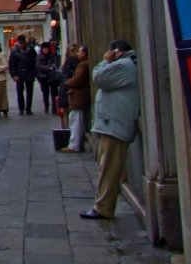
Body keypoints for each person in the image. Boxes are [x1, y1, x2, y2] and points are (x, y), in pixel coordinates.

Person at [80, 40, 140, 220]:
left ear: (116, 52)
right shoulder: (126, 65)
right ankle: (104, 203)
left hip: (115, 125)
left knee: (108, 168)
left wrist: (105, 61)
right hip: (112, 123)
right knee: (108, 167)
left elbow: (99, 77)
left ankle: (103, 207)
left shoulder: (124, 65)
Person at [61, 45, 91, 153]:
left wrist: (67, 82)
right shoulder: (83, 64)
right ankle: (76, 143)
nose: (78, 53)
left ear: (84, 53)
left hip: (79, 96)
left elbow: (78, 79)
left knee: (75, 120)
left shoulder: (83, 65)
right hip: (80, 96)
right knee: (76, 119)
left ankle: (74, 145)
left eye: (80, 51)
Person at [9, 34, 37, 115]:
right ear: (18, 43)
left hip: (29, 73)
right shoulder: (14, 51)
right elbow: (12, 64)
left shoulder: (31, 50)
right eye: (20, 43)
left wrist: (34, 73)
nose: (22, 45)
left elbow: (35, 61)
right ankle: (21, 109)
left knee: (29, 92)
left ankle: (28, 109)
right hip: (19, 74)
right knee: (19, 92)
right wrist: (14, 75)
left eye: (23, 43)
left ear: (25, 42)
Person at [58, 43, 80, 127]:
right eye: (77, 51)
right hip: (67, 89)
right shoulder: (73, 61)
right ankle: (68, 129)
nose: (78, 53)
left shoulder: (67, 61)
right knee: (68, 111)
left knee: (66, 112)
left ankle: (66, 128)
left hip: (64, 88)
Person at [36, 41, 61, 114]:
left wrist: (52, 67)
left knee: (54, 93)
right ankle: (46, 107)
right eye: (44, 48)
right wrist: (48, 68)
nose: (45, 50)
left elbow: (56, 63)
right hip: (43, 77)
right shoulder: (39, 56)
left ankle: (54, 108)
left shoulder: (52, 55)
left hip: (52, 77)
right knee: (45, 93)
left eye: (46, 48)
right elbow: (38, 65)